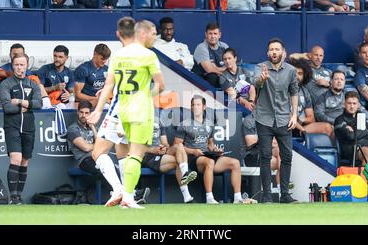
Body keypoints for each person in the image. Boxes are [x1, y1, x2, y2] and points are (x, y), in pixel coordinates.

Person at [88, 19, 165, 209]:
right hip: (137, 109)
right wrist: (146, 95)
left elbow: (108, 85)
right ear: (140, 33)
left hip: (119, 108)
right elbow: (160, 86)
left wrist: (98, 110)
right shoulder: (148, 55)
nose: (155, 36)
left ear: (118, 34)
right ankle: (126, 194)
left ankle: (121, 191)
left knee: (103, 152)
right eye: (154, 33)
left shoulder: (118, 56)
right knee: (129, 154)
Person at [174, 95, 253, 204]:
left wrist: (215, 150)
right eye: (193, 105)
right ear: (191, 108)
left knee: (235, 163)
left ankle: (237, 198)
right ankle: (210, 198)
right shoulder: (184, 124)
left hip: (208, 155)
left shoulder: (209, 124)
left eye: (198, 105)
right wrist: (193, 151)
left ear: (204, 107)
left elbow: (210, 144)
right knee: (209, 162)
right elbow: (177, 146)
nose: (195, 107)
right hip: (194, 158)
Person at [254, 38, 298, 204]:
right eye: (271, 49)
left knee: (287, 156)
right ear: (268, 53)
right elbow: (255, 82)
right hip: (264, 118)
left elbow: (294, 92)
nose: (274, 52)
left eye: (277, 49)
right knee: (265, 156)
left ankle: (285, 195)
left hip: (284, 118)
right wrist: (262, 80)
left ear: (283, 52)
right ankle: (266, 196)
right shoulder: (261, 67)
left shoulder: (291, 70)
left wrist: (294, 115)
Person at [0, 53, 42, 204]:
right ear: (12, 65)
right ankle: (13, 197)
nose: (19, 68)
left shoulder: (33, 84)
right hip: (12, 126)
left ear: (27, 65)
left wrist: (19, 101)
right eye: (16, 64)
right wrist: (24, 107)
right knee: (15, 159)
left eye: (22, 64)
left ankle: (19, 196)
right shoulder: (5, 84)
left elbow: (39, 104)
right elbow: (7, 107)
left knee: (24, 162)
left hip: (29, 127)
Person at [142, 109, 198, 203]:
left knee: (179, 146)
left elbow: (164, 142)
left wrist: (164, 147)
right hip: (146, 155)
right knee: (178, 162)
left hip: (159, 153)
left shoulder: (158, 120)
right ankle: (187, 197)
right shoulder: (137, 121)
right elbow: (135, 147)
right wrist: (153, 150)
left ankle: (185, 172)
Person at [289, 58, 334, 137]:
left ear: (304, 76)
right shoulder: (281, 89)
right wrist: (302, 130)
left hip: (299, 126)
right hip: (283, 127)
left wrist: (301, 119)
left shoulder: (304, 92)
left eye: (300, 73)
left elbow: (311, 118)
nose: (296, 76)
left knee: (328, 128)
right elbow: (285, 115)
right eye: (294, 73)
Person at [192, 22, 229, 88]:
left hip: (219, 78)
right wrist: (224, 71)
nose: (213, 36)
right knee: (212, 76)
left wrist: (216, 68)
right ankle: (212, 97)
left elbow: (231, 65)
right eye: (210, 33)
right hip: (202, 81)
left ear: (219, 35)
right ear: (206, 35)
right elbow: (209, 69)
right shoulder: (201, 47)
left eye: (215, 33)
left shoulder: (224, 46)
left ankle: (225, 97)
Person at [219, 48, 256, 113]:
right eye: (225, 59)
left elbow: (251, 88)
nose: (227, 61)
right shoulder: (222, 77)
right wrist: (245, 103)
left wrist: (250, 102)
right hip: (236, 105)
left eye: (229, 58)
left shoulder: (244, 71)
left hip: (250, 102)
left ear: (235, 58)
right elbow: (233, 94)